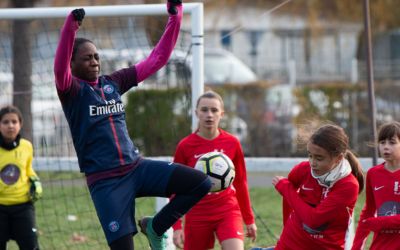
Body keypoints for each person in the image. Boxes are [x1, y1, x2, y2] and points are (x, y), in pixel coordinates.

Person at [53, 1, 212, 250]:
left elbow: (157, 59)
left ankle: (155, 227)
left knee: (201, 183)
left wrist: (175, 18)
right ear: (72, 65)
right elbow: (59, 67)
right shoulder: (71, 91)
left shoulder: (113, 83)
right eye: (87, 58)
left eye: (96, 57)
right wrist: (70, 28)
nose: (94, 62)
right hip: (106, 183)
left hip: (136, 169)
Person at [172, 90, 257, 250]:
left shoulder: (232, 143)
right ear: (196, 113)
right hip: (197, 213)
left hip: (227, 210)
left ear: (222, 114)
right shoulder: (185, 146)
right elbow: (175, 188)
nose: (209, 115)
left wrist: (249, 220)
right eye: (204, 110)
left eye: (214, 110)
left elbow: (240, 182)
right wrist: (176, 226)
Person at [271, 123, 364, 249]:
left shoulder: (349, 185)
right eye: (310, 155)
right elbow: (288, 201)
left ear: (338, 158)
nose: (312, 163)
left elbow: (314, 221)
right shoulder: (303, 169)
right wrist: (287, 229)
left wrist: (285, 189)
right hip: (289, 244)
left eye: (319, 158)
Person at [351, 121, 400, 250]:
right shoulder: (373, 173)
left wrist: (379, 222)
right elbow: (368, 212)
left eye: (392, 142)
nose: (386, 147)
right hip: (380, 245)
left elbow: (373, 221)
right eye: (382, 142)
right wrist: (356, 247)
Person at [0, 105, 43, 250]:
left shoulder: (27, 146)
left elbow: (28, 169)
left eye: (14, 121)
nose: (10, 125)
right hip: (0, 206)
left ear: (20, 124)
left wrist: (35, 181)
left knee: (31, 246)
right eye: (5, 122)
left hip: (23, 206)